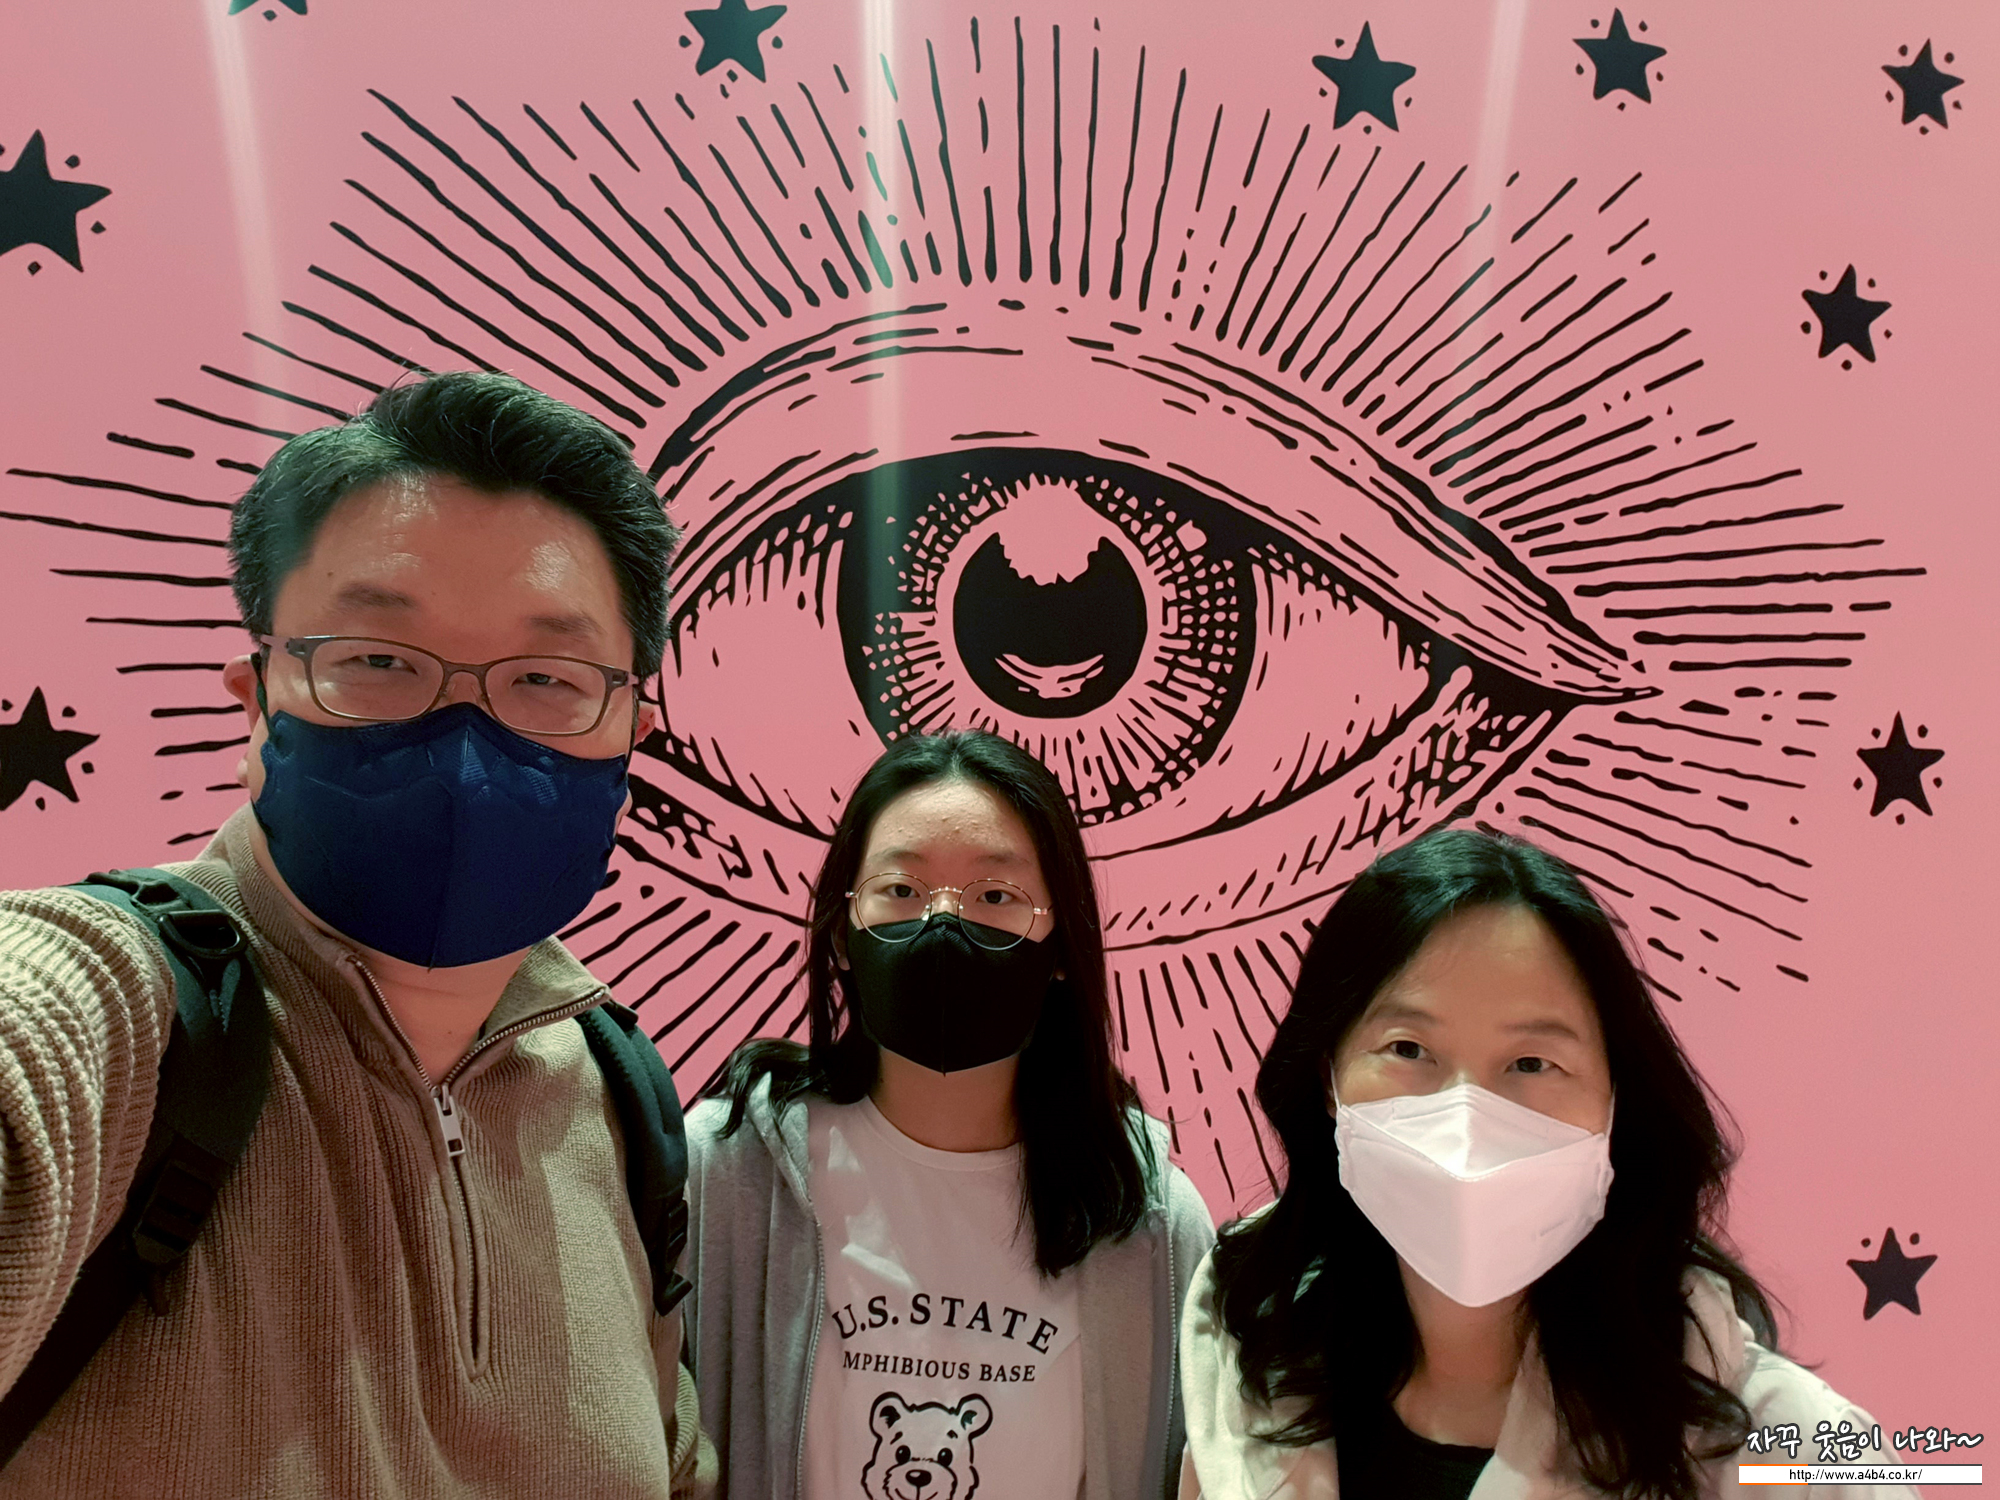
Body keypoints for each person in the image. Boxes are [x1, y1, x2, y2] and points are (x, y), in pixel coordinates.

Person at [0, 372, 716, 1495]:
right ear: (257, 700)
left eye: (547, 677)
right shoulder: (106, 1012)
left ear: (633, 727)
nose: (465, 737)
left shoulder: (623, 1109)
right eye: (379, 660)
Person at [1177, 827, 1911, 1500]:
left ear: (1616, 1101)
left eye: (1531, 1063)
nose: (1467, 1123)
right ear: (1329, 1081)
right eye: (1408, 1049)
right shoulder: (1249, 1393)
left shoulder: (1799, 1459)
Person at [683, 730, 1216, 1500]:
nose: (942, 924)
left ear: (1060, 944)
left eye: (995, 897)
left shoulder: (1150, 1219)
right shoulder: (724, 1173)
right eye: (901, 890)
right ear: (842, 931)